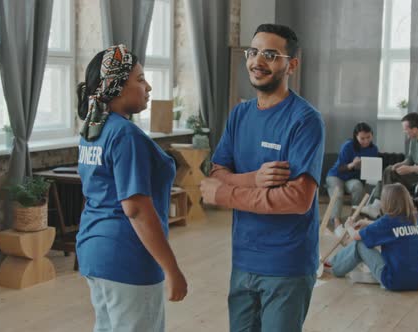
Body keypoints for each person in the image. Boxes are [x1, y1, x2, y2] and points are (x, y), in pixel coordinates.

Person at [200, 24, 325, 332]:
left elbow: (297, 199)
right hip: (243, 260)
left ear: (291, 65)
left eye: (270, 55)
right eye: (253, 52)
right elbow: (216, 174)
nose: (258, 61)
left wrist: (226, 193)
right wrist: (254, 179)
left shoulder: (305, 120)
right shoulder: (239, 115)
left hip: (287, 265)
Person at [76, 44, 187, 332]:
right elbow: (136, 209)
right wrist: (171, 268)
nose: (147, 86)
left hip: (94, 250)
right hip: (127, 256)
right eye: (139, 79)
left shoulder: (92, 129)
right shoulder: (125, 134)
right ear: (115, 86)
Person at [326, 183, 418, 291]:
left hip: (394, 281)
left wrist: (348, 227)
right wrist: (367, 223)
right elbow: (392, 228)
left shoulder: (387, 221)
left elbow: (356, 236)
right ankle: (332, 263)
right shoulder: (415, 219)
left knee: (360, 244)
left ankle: (333, 267)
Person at [326, 122, 379, 229]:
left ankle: (353, 217)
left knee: (358, 186)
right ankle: (336, 221)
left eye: (368, 137)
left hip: (351, 179)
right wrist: (352, 165)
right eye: (362, 138)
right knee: (338, 192)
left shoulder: (374, 149)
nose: (366, 141)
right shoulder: (348, 146)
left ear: (372, 135)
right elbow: (340, 168)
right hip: (336, 175)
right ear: (356, 136)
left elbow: (370, 170)